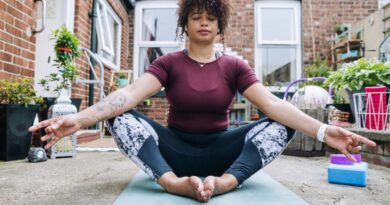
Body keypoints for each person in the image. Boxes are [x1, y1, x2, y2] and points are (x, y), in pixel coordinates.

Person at [29, 0, 376, 203]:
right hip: (173, 150)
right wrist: (79, 118)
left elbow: (273, 105)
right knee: (121, 117)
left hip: (223, 151)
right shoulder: (168, 63)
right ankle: (170, 182)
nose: (204, 22)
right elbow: (127, 96)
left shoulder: (234, 66)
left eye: (211, 17)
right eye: (197, 16)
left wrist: (323, 130)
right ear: (186, 23)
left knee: (281, 123)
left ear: (219, 25)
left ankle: (227, 181)